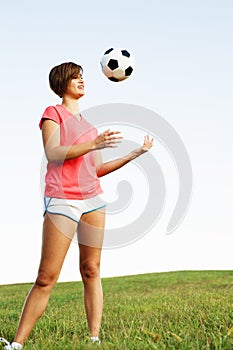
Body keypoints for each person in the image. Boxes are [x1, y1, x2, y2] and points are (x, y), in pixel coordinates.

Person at [0, 62, 154, 349]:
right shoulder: (53, 113)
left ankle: (94, 339)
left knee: (91, 270)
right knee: (46, 277)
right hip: (63, 199)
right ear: (62, 82)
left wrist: (136, 153)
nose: (82, 81)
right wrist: (93, 144)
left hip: (93, 200)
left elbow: (97, 170)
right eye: (76, 77)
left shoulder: (89, 126)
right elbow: (53, 152)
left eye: (83, 77)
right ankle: (17, 343)